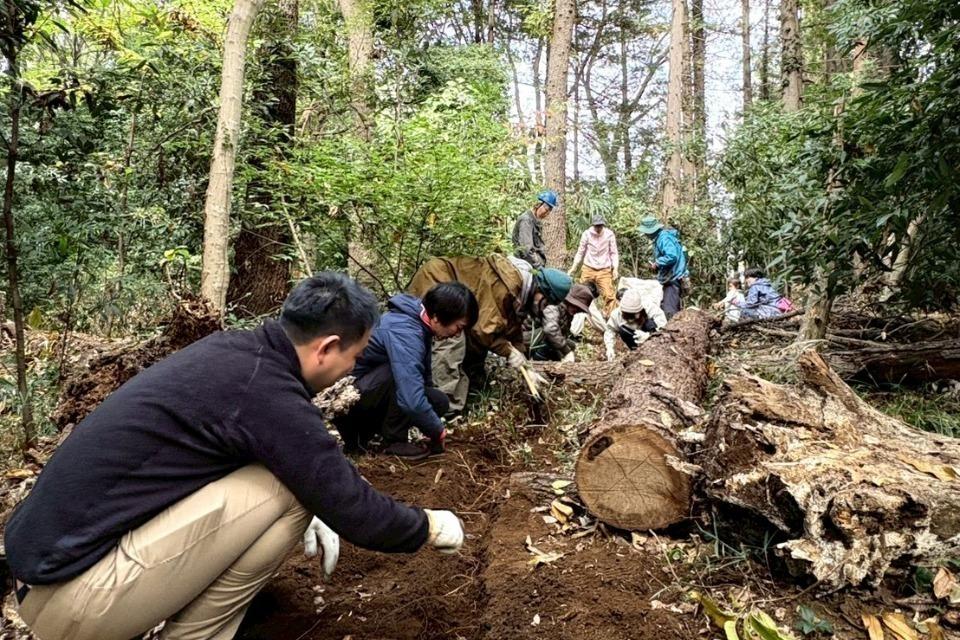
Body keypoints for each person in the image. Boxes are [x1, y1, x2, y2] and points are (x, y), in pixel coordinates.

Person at [4, 273, 465, 640]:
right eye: (356, 355)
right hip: (77, 600)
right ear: (326, 347)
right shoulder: (266, 393)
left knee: (286, 477)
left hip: (45, 577)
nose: (353, 369)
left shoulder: (234, 354)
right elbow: (353, 508)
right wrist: (428, 525)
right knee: (294, 492)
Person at [335, 282, 479, 460]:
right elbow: (411, 398)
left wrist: (430, 424)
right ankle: (393, 441)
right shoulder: (405, 332)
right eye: (459, 327)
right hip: (348, 406)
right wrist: (437, 431)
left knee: (438, 401)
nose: (457, 334)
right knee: (402, 378)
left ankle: (372, 436)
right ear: (437, 316)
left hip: (368, 392)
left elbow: (424, 380)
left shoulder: (418, 323)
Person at [409, 255, 572, 408]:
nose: (542, 310)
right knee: (453, 340)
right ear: (540, 292)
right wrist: (509, 352)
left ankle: (471, 394)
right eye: (545, 303)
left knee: (474, 348)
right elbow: (484, 330)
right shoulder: (506, 284)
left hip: (456, 297)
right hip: (437, 281)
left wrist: (526, 365)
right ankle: (444, 411)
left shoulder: (521, 294)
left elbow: (513, 330)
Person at [637, 215, 689, 319]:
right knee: (666, 305)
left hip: (673, 278)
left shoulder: (664, 238)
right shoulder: (660, 238)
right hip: (669, 278)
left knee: (670, 310)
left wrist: (657, 262)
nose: (646, 235)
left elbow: (672, 256)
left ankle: (673, 332)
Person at [603, 278, 667, 361]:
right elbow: (610, 330)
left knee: (650, 323)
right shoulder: (616, 315)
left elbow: (665, 327)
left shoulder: (649, 307)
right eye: (627, 314)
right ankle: (637, 353)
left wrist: (650, 336)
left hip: (655, 340)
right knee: (623, 330)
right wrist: (609, 348)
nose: (630, 318)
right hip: (633, 338)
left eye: (633, 314)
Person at [568, 214, 620, 315]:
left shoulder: (609, 235)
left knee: (609, 295)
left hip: (604, 269)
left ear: (603, 225)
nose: (598, 228)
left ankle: (610, 318)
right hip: (588, 268)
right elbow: (580, 252)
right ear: (593, 225)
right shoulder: (587, 234)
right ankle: (581, 317)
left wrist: (615, 268)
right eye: (596, 226)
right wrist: (573, 267)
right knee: (581, 293)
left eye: (600, 226)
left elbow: (614, 253)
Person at [531, 283, 595, 362]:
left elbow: (562, 335)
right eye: (576, 306)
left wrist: (563, 356)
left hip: (545, 341)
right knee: (550, 345)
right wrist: (566, 352)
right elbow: (550, 330)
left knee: (571, 345)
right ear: (570, 301)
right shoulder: (554, 306)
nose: (577, 310)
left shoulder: (567, 313)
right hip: (533, 343)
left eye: (580, 309)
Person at [511, 190, 557, 268]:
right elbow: (526, 250)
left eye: (549, 211)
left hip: (533, 264)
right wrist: (539, 268)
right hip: (525, 265)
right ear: (539, 205)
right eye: (546, 210)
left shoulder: (535, 220)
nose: (546, 214)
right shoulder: (526, 220)